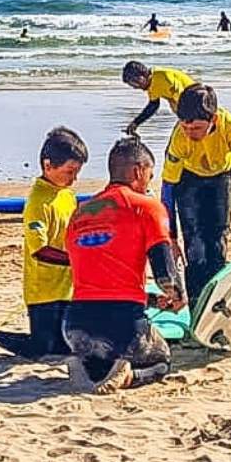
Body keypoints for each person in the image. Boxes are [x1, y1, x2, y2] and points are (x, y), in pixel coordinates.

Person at [62, 137, 184, 393]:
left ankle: (85, 366)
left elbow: (100, 277)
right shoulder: (147, 207)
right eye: (149, 177)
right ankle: (131, 376)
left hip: (75, 324)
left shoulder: (79, 213)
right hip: (123, 325)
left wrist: (149, 300)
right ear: (138, 171)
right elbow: (166, 275)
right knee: (162, 360)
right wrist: (177, 295)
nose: (148, 185)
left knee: (101, 356)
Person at [0, 127, 88, 359]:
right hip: (43, 289)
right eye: (70, 172)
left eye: (77, 172)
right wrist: (76, 261)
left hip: (68, 286)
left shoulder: (67, 195)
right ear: (48, 165)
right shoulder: (37, 203)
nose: (74, 178)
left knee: (64, 347)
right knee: (41, 348)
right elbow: (40, 250)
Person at [161, 83, 231, 302]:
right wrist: (171, 237)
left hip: (221, 177)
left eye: (195, 128)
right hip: (188, 179)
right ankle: (196, 301)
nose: (189, 133)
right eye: (185, 127)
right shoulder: (179, 138)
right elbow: (168, 189)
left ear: (213, 120)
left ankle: (216, 300)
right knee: (195, 245)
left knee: (217, 241)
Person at [121, 61, 194, 137]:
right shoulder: (151, 83)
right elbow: (153, 105)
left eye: (135, 83)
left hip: (196, 105)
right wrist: (135, 123)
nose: (135, 87)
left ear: (142, 75)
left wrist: (188, 121)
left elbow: (184, 98)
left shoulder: (162, 77)